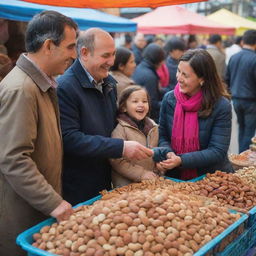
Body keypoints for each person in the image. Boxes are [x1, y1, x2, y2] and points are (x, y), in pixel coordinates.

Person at [0, 11, 78, 256]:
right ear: (48, 46)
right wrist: (53, 202)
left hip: (35, 209)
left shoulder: (39, 84)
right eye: (70, 47)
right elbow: (14, 158)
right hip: (23, 214)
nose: (74, 55)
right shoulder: (21, 89)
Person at [57, 28, 153, 206]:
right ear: (84, 53)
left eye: (114, 54)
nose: (111, 61)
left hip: (106, 177)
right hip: (81, 183)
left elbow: (114, 122)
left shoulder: (107, 82)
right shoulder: (65, 87)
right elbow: (70, 139)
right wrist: (120, 147)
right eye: (105, 55)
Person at [154, 49, 233, 180]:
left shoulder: (221, 105)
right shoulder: (169, 99)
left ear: (202, 79)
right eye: (178, 71)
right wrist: (169, 154)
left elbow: (217, 151)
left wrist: (182, 160)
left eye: (185, 75)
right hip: (175, 175)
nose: (179, 78)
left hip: (211, 178)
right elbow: (162, 136)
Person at [110, 86, 159, 187]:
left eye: (144, 101)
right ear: (123, 107)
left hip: (150, 182)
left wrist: (159, 166)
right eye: (135, 101)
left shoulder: (154, 127)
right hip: (126, 185)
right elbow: (116, 160)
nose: (141, 104)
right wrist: (141, 174)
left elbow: (156, 151)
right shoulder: (121, 129)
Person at [226, 30, 256, 153]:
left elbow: (226, 78)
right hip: (251, 101)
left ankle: (240, 155)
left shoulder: (234, 57)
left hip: (236, 99)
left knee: (242, 129)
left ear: (243, 41)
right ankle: (243, 158)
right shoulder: (254, 58)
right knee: (248, 131)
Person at [133, 43, 165, 123]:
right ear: (158, 60)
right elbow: (152, 103)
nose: (163, 63)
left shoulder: (140, 67)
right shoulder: (150, 76)